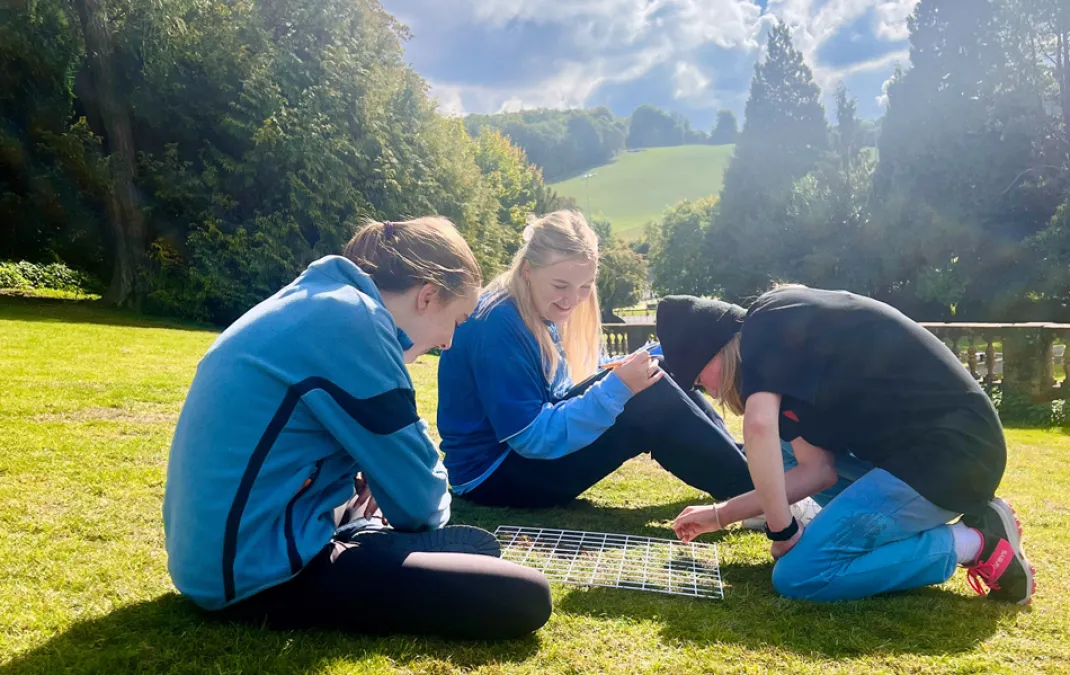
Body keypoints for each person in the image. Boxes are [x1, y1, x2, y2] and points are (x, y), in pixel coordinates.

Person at [163, 218, 552, 640]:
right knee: (526, 595)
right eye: (457, 322)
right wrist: (400, 491)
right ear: (428, 296)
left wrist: (367, 473)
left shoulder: (320, 299)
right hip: (254, 574)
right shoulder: (357, 323)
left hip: (211, 558)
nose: (449, 343)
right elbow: (422, 503)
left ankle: (364, 532)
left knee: (384, 503)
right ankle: (367, 539)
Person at [663, 287, 1036, 604]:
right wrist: (719, 514)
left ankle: (977, 542)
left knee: (800, 576)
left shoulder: (764, 325)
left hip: (948, 459)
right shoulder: (785, 339)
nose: (709, 391)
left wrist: (782, 532)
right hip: (936, 454)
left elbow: (757, 426)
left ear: (715, 347)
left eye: (699, 378)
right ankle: (945, 528)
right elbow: (817, 470)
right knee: (786, 445)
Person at [435, 210, 756, 508]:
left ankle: (749, 466)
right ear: (528, 270)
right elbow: (532, 438)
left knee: (658, 369)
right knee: (648, 395)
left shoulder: (534, 308)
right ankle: (752, 496)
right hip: (494, 476)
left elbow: (579, 375)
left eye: (584, 287)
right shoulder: (498, 324)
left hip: (520, 458)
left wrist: (648, 358)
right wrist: (619, 387)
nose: (572, 300)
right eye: (560, 285)